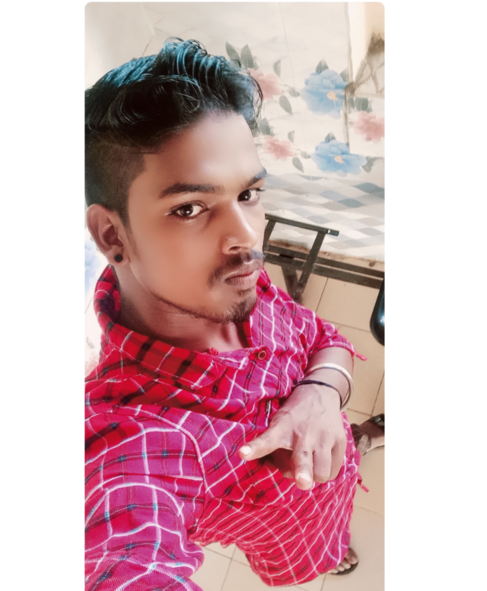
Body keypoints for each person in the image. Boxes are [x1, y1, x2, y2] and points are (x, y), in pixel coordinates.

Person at [82, 39, 384, 590]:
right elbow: (125, 551)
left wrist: (320, 393)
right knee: (325, 551)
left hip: (332, 435)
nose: (247, 238)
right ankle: (334, 554)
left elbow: (323, 337)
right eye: (189, 208)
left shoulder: (234, 283)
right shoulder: (135, 439)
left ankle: (358, 441)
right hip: (297, 533)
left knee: (343, 444)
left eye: (248, 194)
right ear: (112, 234)